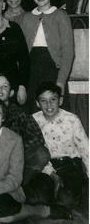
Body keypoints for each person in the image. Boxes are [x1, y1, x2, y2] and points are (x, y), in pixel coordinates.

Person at [0, 94, 73, 224]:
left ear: (3, 117)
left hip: (5, 191)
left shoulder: (14, 140)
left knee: (2, 214)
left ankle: (42, 211)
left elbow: (15, 178)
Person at [0, 72, 50, 190]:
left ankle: (17, 186)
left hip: (16, 162)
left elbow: (37, 138)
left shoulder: (19, 113)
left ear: (11, 92)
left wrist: (16, 150)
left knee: (42, 154)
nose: (0, 90)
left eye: (5, 86)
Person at [21, 0, 74, 113]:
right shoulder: (26, 17)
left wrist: (61, 81)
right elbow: (21, 51)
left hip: (52, 70)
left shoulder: (61, 16)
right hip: (31, 70)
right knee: (33, 110)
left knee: (53, 110)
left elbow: (68, 52)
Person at [33, 82, 88, 210]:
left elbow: (86, 150)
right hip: (46, 167)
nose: (49, 105)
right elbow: (34, 151)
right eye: (43, 101)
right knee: (38, 199)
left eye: (53, 99)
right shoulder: (33, 121)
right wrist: (51, 173)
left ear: (61, 100)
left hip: (70, 166)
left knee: (66, 201)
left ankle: (74, 189)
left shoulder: (72, 120)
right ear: (37, 103)